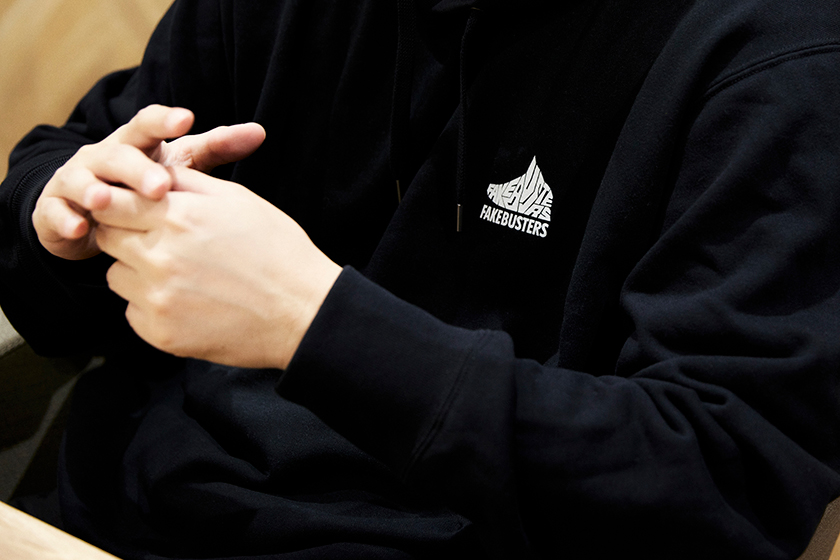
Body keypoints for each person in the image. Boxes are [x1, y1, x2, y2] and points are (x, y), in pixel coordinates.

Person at [2, 0, 840, 557]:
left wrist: (310, 320)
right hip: (109, 507)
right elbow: (68, 183)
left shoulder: (782, 58)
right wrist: (65, 216)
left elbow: (724, 485)